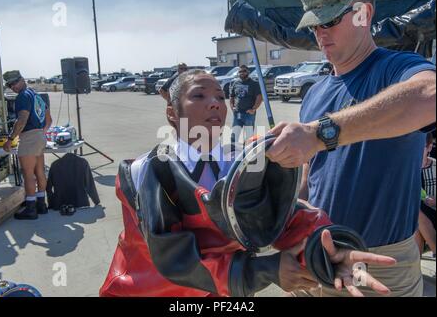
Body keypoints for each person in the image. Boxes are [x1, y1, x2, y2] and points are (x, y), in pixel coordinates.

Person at [100, 70, 396, 297]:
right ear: (171, 113)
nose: (215, 103)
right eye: (199, 96)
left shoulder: (243, 163)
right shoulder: (142, 173)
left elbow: (283, 217)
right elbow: (174, 258)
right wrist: (265, 270)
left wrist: (329, 250)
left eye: (219, 96)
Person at [266, 0, 436, 297]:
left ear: (364, 13)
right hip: (315, 255)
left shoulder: (397, 68)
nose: (320, 32)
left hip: (377, 265)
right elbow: (312, 175)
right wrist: (291, 231)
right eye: (314, 24)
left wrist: (321, 132)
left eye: (329, 21)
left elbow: (430, 94)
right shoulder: (315, 93)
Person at [2, 71, 52, 220]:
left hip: (29, 137)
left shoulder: (23, 96)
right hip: (39, 136)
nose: (13, 87)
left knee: (28, 173)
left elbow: (22, 120)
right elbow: (49, 120)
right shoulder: (37, 95)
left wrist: (10, 139)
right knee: (39, 171)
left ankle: (31, 208)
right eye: (10, 85)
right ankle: (41, 204)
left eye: (14, 83)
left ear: (22, 80)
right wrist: (40, 133)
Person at [229, 65, 263, 146]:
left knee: (249, 137)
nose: (242, 73)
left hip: (249, 114)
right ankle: (233, 152)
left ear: (248, 72)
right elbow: (232, 96)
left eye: (244, 71)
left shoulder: (254, 84)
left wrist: (254, 109)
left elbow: (259, 97)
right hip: (237, 113)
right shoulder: (235, 83)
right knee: (234, 135)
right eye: (240, 71)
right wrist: (232, 107)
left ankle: (246, 154)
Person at [415, 132, 436, 255]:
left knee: (417, 216)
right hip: (415, 218)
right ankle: (414, 270)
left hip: (433, 211)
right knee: (416, 223)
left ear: (429, 147)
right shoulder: (407, 169)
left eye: (421, 146)